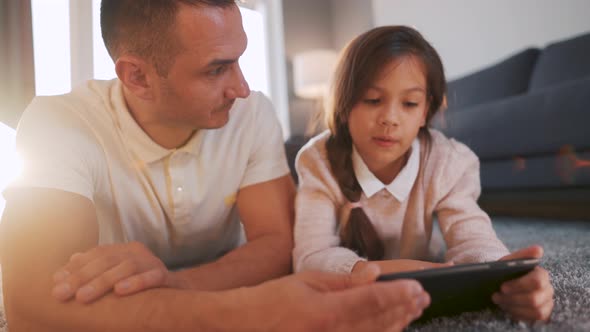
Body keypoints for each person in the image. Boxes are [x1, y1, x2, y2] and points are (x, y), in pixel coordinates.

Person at [0, 1, 430, 331]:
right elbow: (28, 305)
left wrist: (174, 283)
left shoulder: (252, 113)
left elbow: (278, 244)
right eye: (217, 69)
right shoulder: (58, 124)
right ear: (137, 77)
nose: (242, 88)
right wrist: (244, 311)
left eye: (239, 60)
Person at [293, 25, 554, 322]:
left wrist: (505, 273)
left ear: (425, 111)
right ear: (343, 102)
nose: (390, 119)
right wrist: (369, 271)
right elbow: (309, 257)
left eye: (409, 104)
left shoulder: (449, 161)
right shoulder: (318, 160)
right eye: (372, 99)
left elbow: (473, 240)